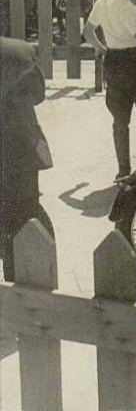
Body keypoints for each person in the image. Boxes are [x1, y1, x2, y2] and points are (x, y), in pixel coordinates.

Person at [83, 0, 136, 179]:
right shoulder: (129, 9)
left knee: (120, 120)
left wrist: (101, 49)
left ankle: (123, 170)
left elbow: (88, 30)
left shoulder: (103, 1)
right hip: (134, 62)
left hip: (114, 61)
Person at [1, 36, 54, 281]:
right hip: (20, 149)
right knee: (26, 216)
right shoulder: (20, 50)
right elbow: (38, 95)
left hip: (17, 150)